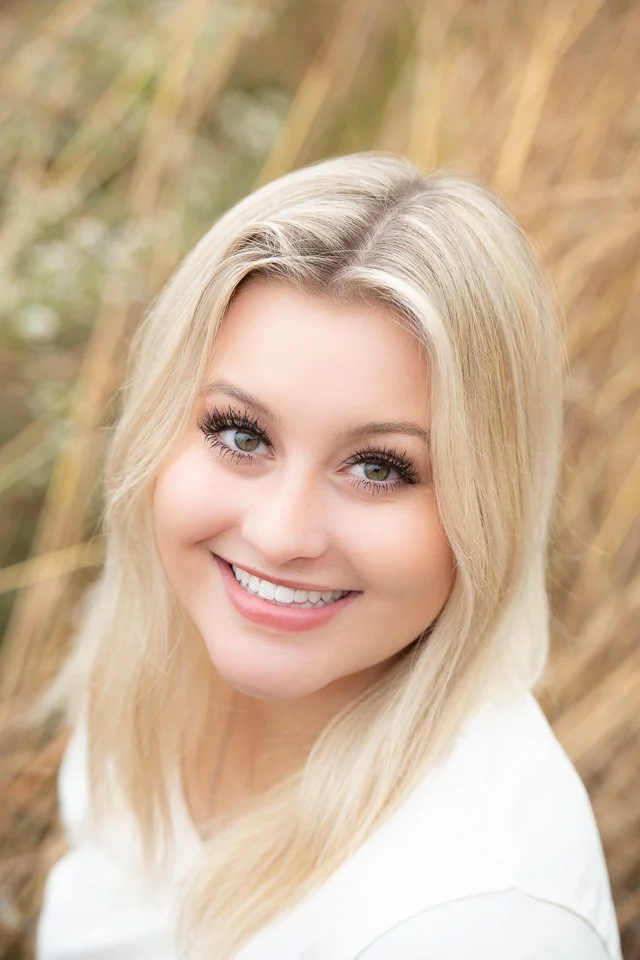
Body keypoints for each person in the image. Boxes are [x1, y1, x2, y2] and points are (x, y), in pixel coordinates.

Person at [35, 152, 621, 959]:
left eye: (380, 467)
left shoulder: (478, 917)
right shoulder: (150, 669)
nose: (280, 534)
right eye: (240, 434)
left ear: (490, 508)